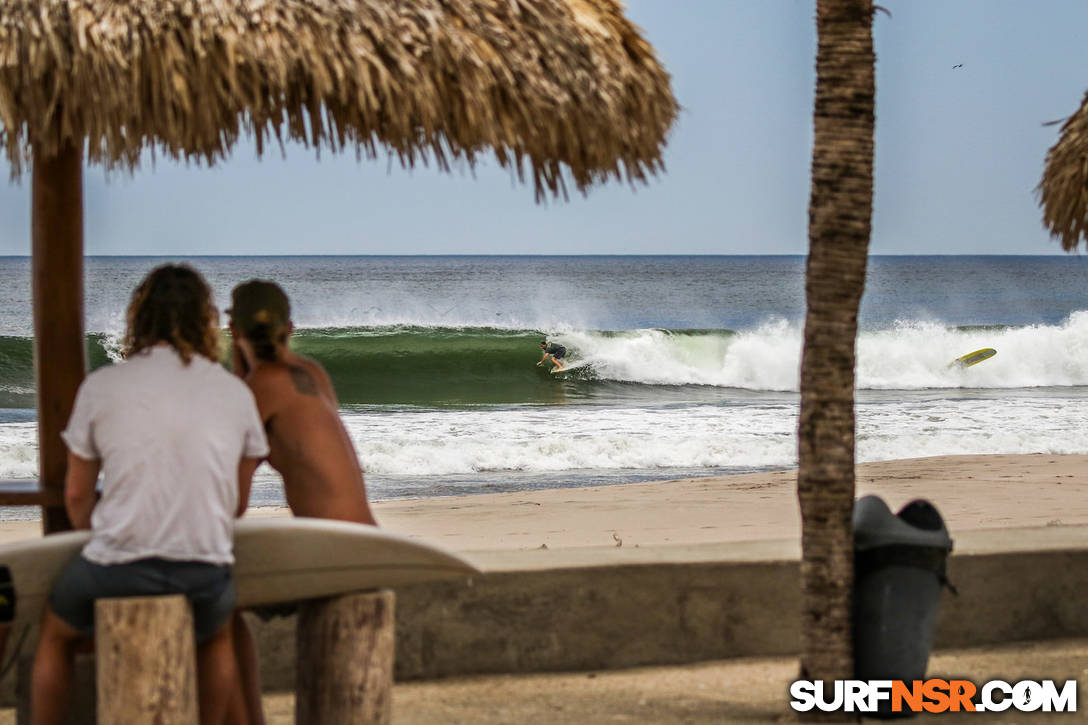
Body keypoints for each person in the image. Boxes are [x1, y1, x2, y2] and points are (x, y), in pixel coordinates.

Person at [31, 264, 268, 725]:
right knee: (216, 635)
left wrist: (108, 536)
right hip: (204, 567)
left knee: (56, 632)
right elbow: (235, 505)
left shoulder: (103, 385)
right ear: (206, 321)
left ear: (138, 319)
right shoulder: (234, 392)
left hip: (118, 567)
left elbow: (78, 494)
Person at [225, 279, 377, 724]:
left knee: (216, 604)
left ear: (231, 329)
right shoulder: (313, 373)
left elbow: (231, 504)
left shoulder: (256, 391)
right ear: (291, 326)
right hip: (365, 540)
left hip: (331, 554)